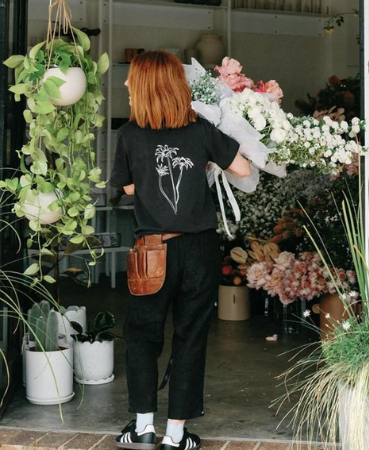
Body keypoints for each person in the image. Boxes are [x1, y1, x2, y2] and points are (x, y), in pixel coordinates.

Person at [109, 51, 251, 450]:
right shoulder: (200, 129)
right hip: (199, 252)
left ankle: (141, 429)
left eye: (130, 78)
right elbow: (242, 170)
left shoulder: (130, 134)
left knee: (142, 337)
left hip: (153, 251)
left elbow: (130, 188)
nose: (125, 84)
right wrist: (204, 167)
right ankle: (175, 435)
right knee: (190, 338)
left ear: (145, 86)